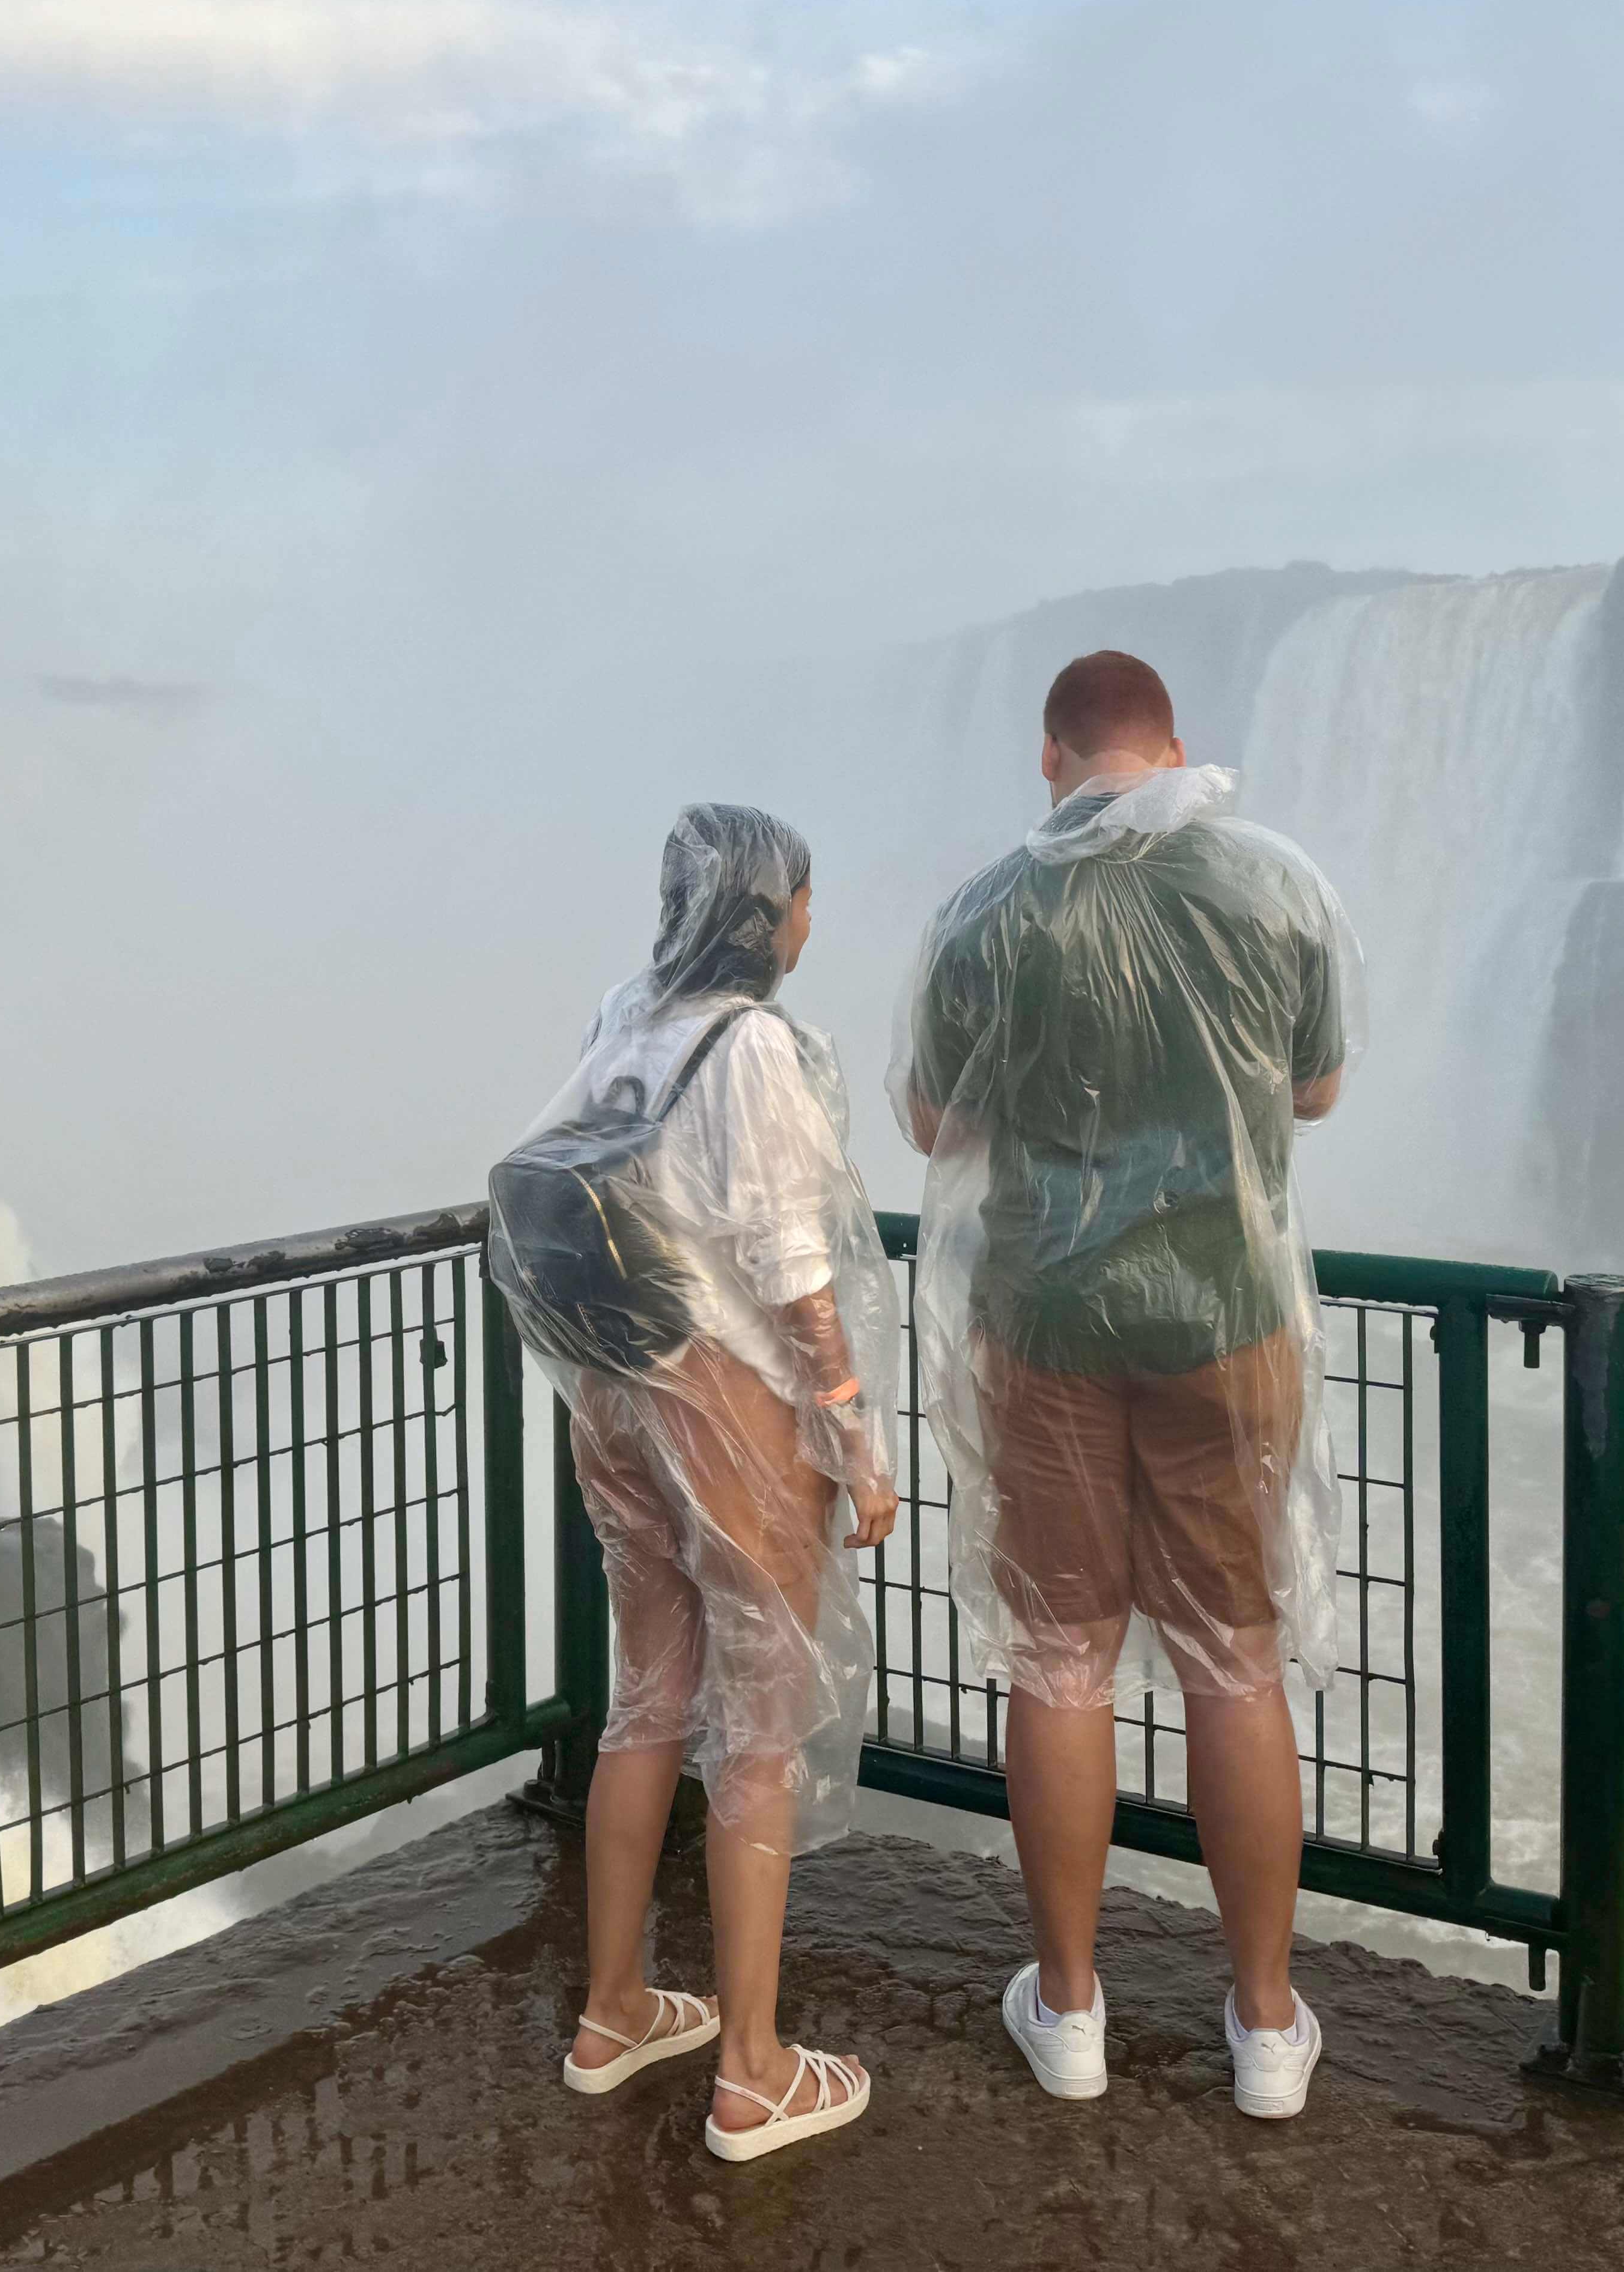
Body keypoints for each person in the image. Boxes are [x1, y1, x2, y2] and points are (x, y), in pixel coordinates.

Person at [893, 651, 1363, 2121]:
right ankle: (1268, 2029)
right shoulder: (1274, 885)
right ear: (1176, 748)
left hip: (1043, 1324)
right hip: (1228, 1320)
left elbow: (928, 1117)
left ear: (1051, 760)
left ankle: (1075, 2012)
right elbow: (1317, 1089)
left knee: (1061, 1659)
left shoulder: (984, 913)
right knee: (1235, 1657)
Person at [488, 803, 902, 2164]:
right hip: (724, 1405)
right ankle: (752, 2068)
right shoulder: (753, 1048)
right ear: (765, 911)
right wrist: (854, 1439)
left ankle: (614, 2011)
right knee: (761, 1733)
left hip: (610, 1399)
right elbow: (795, 1271)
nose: (807, 921)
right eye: (801, 898)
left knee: (647, 1698)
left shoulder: (626, 1016)